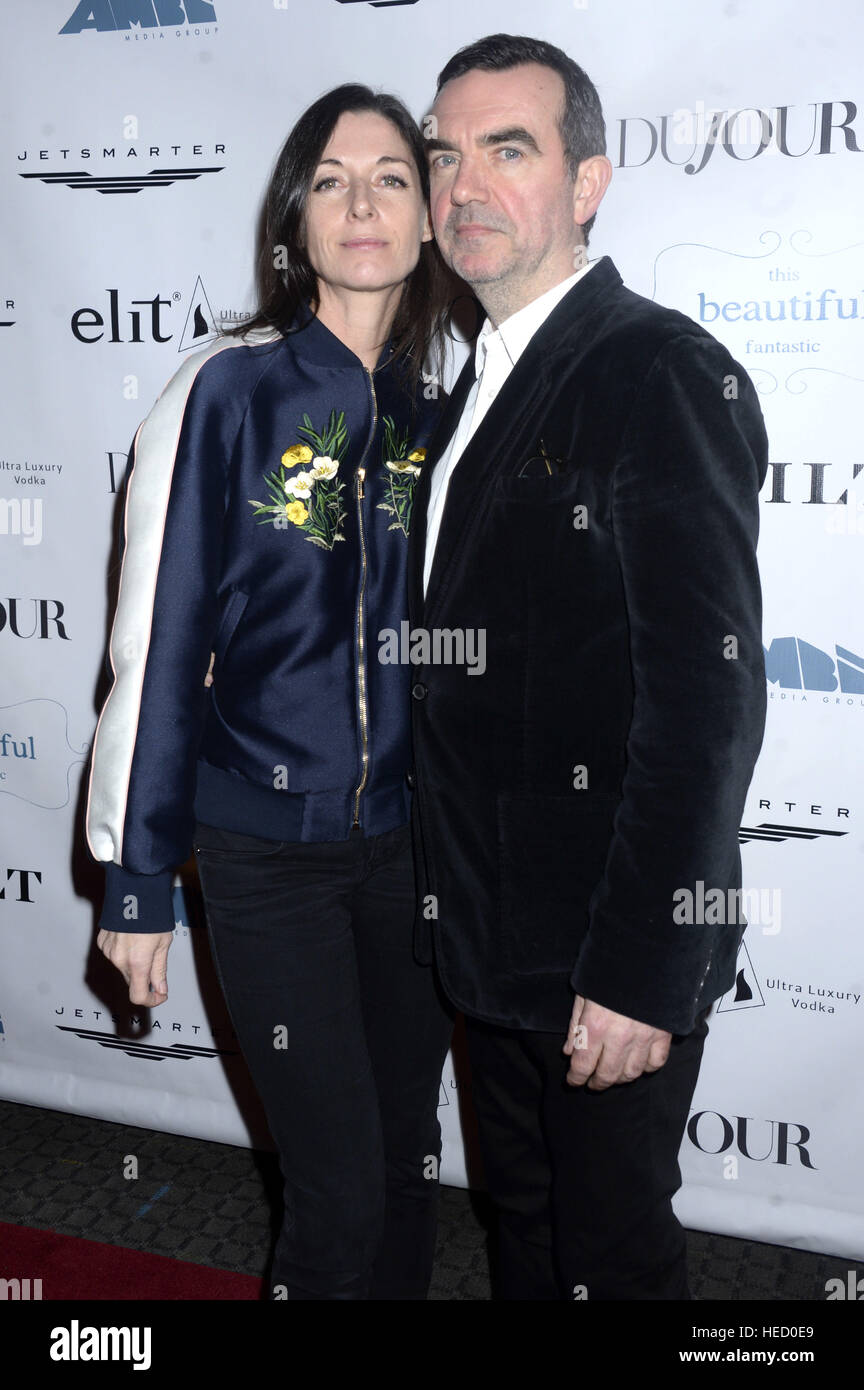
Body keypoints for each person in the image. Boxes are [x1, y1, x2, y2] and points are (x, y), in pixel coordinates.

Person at [407, 35, 769, 1300]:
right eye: (445, 153)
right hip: (498, 940)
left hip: (604, 951)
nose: (464, 185)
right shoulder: (472, 387)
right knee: (526, 1239)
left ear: (591, 180)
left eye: (510, 149)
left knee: (611, 1258)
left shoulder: (654, 369)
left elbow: (706, 698)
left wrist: (635, 970)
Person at [86, 83, 455, 1301]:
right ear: (294, 219)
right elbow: (157, 639)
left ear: (428, 214)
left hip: (411, 851)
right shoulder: (224, 392)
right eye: (335, 180)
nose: (364, 203)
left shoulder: (437, 411)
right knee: (338, 1190)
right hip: (266, 853)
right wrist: (138, 877)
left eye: (393, 178)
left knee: (405, 1164)